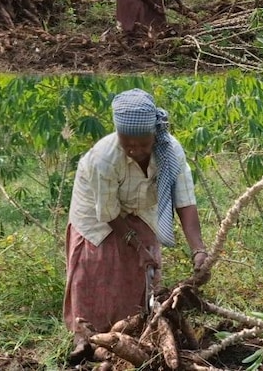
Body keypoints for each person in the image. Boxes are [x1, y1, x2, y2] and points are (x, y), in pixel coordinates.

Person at [63, 89, 209, 364]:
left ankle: (133, 330)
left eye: (142, 144)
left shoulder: (170, 152)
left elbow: (185, 201)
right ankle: (86, 337)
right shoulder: (104, 157)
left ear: (154, 135)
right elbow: (107, 211)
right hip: (95, 208)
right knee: (95, 264)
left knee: (142, 270)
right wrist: (136, 244)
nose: (135, 150)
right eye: (127, 143)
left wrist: (198, 250)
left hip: (140, 204)